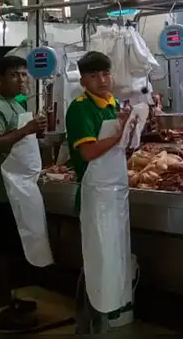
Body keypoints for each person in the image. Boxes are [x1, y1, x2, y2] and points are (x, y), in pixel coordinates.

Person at [0, 55, 48, 331]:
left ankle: (12, 298)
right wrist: (26, 130)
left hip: (18, 187)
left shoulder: (15, 104)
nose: (20, 80)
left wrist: (34, 133)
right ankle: (2, 309)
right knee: (4, 250)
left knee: (17, 248)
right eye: (13, 75)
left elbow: (16, 140)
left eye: (23, 74)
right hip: (1, 190)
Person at [65, 51, 132, 334]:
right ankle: (89, 323)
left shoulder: (113, 104)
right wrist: (119, 135)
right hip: (94, 197)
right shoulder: (80, 108)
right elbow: (89, 151)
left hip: (115, 195)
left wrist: (131, 127)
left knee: (112, 258)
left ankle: (109, 316)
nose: (102, 80)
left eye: (106, 74)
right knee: (95, 260)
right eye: (94, 76)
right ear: (83, 81)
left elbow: (123, 149)